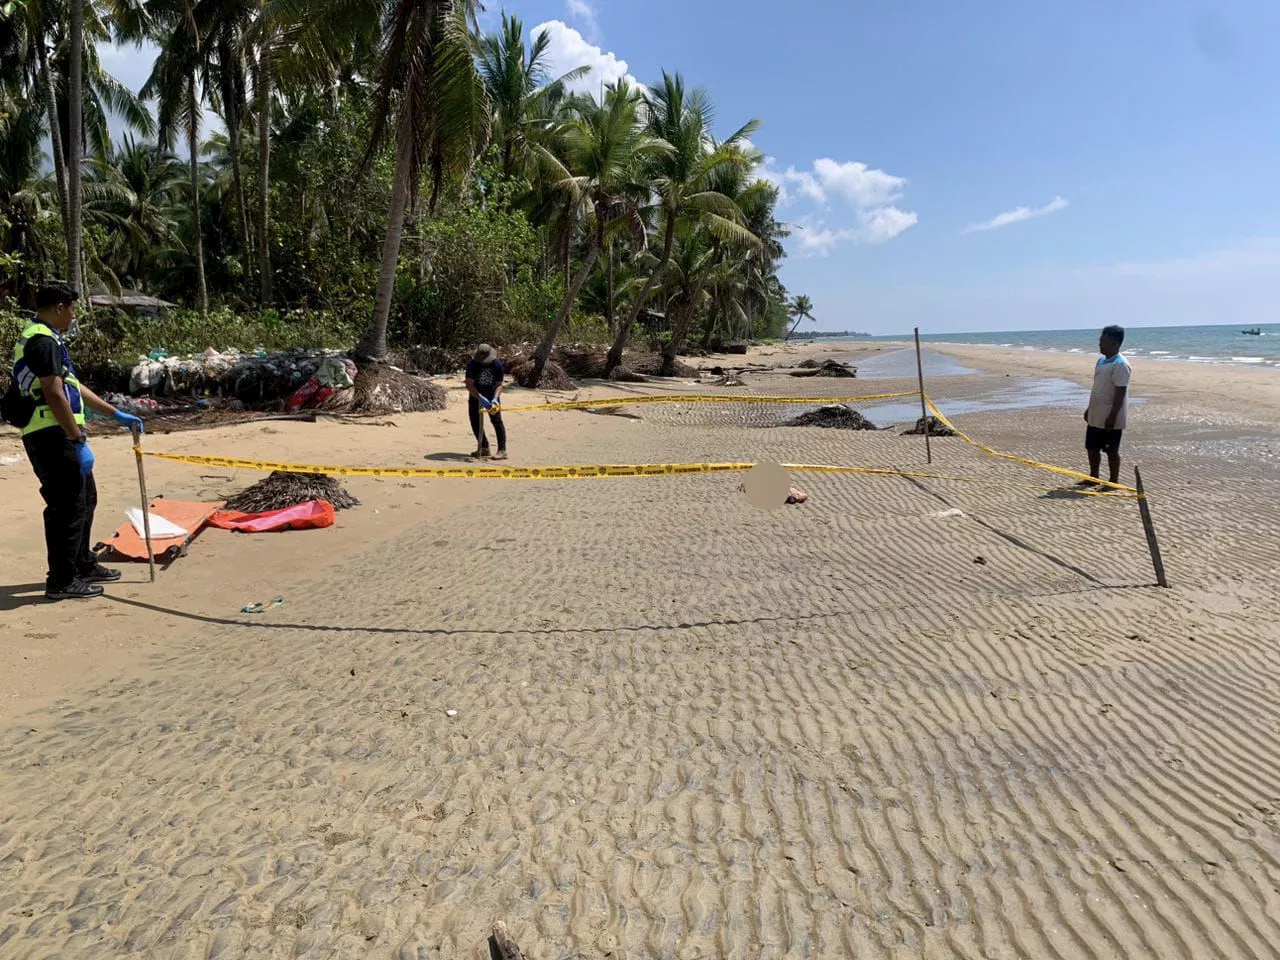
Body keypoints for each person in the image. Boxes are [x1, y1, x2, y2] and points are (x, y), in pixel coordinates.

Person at [10, 281, 145, 600]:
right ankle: (61, 579)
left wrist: (115, 414)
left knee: (86, 498)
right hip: (50, 435)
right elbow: (54, 394)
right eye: (71, 309)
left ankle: (82, 562)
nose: (73, 316)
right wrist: (78, 438)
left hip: (59, 433)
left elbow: (73, 386)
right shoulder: (41, 341)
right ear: (59, 307)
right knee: (65, 507)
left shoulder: (49, 338)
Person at [1080, 324, 1130, 488]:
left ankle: (1113, 481)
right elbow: (1097, 388)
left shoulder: (1120, 364)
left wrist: (1113, 415)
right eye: (1100, 341)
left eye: (1104, 341)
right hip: (1096, 413)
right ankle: (1093, 477)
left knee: (1111, 450)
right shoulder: (1101, 361)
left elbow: (1120, 391)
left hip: (1111, 416)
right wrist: (1090, 409)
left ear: (1115, 343)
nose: (1100, 344)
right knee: (1092, 448)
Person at [465, 343, 506, 459]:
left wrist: (495, 398)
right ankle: (484, 448)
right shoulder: (473, 365)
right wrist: (479, 397)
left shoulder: (497, 364)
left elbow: (499, 384)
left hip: (492, 395)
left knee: (497, 421)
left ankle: (502, 450)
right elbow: (469, 384)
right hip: (475, 396)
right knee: (475, 422)